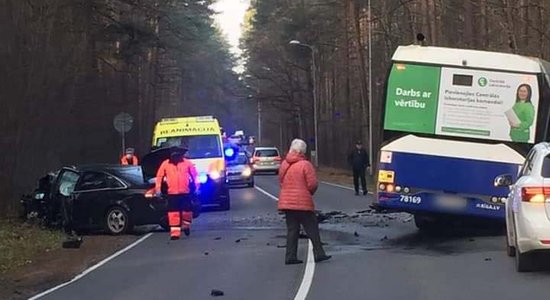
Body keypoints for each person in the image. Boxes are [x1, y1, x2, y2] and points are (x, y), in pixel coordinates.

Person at [278, 139, 331, 265]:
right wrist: (308, 192)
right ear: (303, 151)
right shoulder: (305, 165)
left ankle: (290, 256)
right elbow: (312, 184)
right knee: (312, 228)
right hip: (303, 202)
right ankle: (319, 253)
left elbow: (281, 181)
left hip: (287, 203)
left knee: (292, 230)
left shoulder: (284, 164)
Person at [155, 147, 199, 240]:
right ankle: (175, 234)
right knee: (173, 213)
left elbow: (195, 175)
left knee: (187, 211)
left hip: (185, 192)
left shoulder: (187, 163)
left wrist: (197, 187)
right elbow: (159, 177)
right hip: (172, 193)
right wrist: (158, 189)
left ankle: (186, 225)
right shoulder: (165, 164)